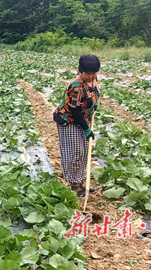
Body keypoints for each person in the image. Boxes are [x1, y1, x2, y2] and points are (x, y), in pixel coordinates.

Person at [53, 54, 100, 195]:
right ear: (80, 71)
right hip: (69, 120)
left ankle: (80, 183)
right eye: (88, 73)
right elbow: (74, 110)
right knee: (75, 152)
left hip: (82, 118)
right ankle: (74, 185)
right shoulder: (77, 87)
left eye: (94, 73)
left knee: (84, 151)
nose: (91, 76)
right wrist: (86, 128)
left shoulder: (93, 80)